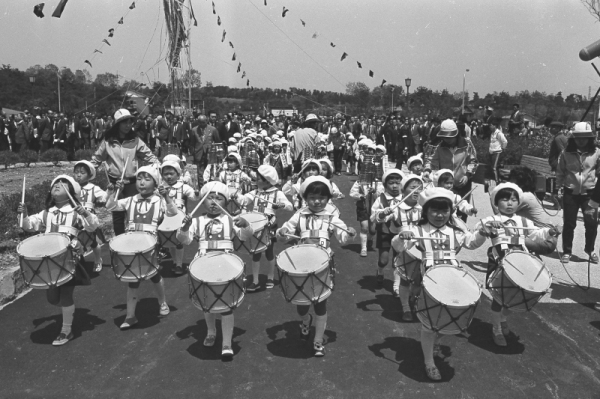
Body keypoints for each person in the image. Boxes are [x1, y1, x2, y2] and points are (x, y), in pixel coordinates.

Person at [392, 187, 488, 381]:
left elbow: (471, 242)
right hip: (430, 279)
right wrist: (402, 237)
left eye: (444, 210)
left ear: (450, 212)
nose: (439, 215)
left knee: (448, 317)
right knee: (429, 324)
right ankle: (429, 362)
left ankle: (433, 342)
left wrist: (483, 233)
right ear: (425, 211)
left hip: (452, 277)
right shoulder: (417, 229)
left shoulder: (454, 231)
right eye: (434, 210)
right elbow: (397, 245)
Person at [277, 176, 356, 357]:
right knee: (302, 305)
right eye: (312, 197)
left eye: (321, 198)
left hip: (322, 264)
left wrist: (350, 233)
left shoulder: (332, 217)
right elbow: (286, 232)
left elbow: (343, 237)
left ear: (328, 199)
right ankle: (305, 320)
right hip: (301, 263)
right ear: (305, 198)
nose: (317, 201)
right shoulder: (300, 214)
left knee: (320, 303)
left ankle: (318, 340)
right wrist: (282, 232)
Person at [17, 175, 100, 346]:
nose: (56, 185)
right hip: (50, 259)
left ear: (71, 191)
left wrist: (85, 213)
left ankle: (66, 330)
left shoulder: (78, 211)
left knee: (66, 294)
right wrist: (24, 215)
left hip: (70, 258)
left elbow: (93, 226)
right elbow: (28, 225)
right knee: (53, 299)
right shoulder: (46, 213)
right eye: (54, 184)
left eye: (62, 184)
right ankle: (67, 311)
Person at [475, 183, 559, 347]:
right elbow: (480, 227)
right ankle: (496, 327)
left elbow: (536, 232)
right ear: (496, 203)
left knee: (517, 294)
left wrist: (549, 232)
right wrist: (490, 226)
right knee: (499, 296)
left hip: (520, 257)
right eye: (505, 200)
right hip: (500, 258)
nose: (509, 203)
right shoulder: (492, 219)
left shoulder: (523, 220)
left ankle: (503, 318)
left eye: (514, 200)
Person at [177, 181, 253, 359]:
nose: (214, 202)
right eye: (209, 198)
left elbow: (245, 236)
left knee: (226, 305)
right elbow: (184, 240)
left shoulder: (230, 219)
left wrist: (245, 224)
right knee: (207, 301)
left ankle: (227, 343)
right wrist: (185, 227)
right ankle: (211, 331)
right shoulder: (197, 221)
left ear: (226, 202)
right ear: (202, 201)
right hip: (203, 261)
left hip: (226, 262)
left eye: (219, 198)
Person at [106, 166, 178, 330]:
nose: (142, 182)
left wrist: (166, 197)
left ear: (155, 183)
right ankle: (130, 316)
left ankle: (162, 302)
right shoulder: (130, 200)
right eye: (139, 179)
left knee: (154, 275)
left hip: (150, 242)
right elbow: (111, 207)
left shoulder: (159, 201)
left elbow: (173, 213)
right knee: (132, 279)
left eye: (147, 179)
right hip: (132, 242)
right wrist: (112, 192)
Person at [91, 109, 159, 236]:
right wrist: (86, 172)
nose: (128, 126)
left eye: (130, 123)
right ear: (117, 124)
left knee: (134, 212)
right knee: (117, 215)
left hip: (133, 183)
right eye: (124, 123)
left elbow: (149, 157)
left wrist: (160, 168)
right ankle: (119, 243)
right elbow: (97, 159)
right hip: (115, 183)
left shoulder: (135, 140)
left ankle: (136, 240)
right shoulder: (107, 141)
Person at [556, 122, 600, 264]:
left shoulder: (596, 153)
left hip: (589, 193)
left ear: (590, 138)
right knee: (569, 223)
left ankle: (590, 250)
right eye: (578, 137)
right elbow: (560, 172)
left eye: (585, 137)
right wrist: (558, 188)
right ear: (573, 138)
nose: (581, 140)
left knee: (591, 223)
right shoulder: (565, 153)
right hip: (571, 193)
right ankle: (567, 251)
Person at [243, 165, 292, 291]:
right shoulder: (255, 192)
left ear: (267, 180)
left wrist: (282, 205)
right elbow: (244, 200)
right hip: (255, 226)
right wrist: (234, 196)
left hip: (269, 225)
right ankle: (255, 281)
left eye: (259, 178)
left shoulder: (277, 193)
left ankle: (270, 277)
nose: (256, 180)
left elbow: (290, 206)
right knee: (255, 253)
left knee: (269, 253)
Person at [424, 119, 478, 222]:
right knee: (446, 210)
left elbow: (473, 161)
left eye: (450, 137)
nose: (447, 139)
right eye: (445, 137)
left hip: (463, 183)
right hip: (445, 184)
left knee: (463, 209)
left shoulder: (466, 144)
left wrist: (467, 175)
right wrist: (427, 170)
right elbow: (430, 160)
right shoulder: (438, 146)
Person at [160, 158, 200, 275]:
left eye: (171, 174)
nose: (168, 177)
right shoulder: (160, 187)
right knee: (169, 241)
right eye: (165, 174)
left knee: (178, 241)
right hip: (165, 218)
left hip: (180, 218)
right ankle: (173, 260)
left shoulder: (183, 187)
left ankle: (178, 264)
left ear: (178, 174)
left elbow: (193, 197)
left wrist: (196, 192)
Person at [390, 175, 423, 316]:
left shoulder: (424, 208)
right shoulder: (397, 207)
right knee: (405, 278)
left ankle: (414, 300)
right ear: (403, 190)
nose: (416, 191)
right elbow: (378, 218)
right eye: (412, 188)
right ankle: (405, 307)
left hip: (421, 248)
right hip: (402, 245)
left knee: (418, 281)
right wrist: (383, 213)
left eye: (419, 188)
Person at [370, 169, 407, 287]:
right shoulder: (380, 199)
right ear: (385, 185)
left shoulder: (407, 199)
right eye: (391, 183)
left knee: (398, 260)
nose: (395, 186)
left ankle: (396, 285)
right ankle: (380, 271)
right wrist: (382, 213)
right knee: (383, 260)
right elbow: (373, 216)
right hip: (385, 231)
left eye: (398, 183)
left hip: (400, 232)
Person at [72, 160, 107, 272]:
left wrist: (109, 193)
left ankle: (97, 260)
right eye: (76, 172)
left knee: (92, 242)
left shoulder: (93, 188)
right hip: (74, 218)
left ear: (89, 175)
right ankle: (78, 263)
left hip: (88, 217)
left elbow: (104, 197)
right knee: (74, 240)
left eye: (82, 173)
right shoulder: (71, 187)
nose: (78, 175)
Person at [349, 174, 384, 257]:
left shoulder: (379, 182)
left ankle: (370, 238)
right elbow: (352, 192)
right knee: (364, 227)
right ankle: (363, 248)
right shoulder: (360, 182)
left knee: (372, 230)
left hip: (375, 208)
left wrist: (375, 192)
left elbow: (382, 195)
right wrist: (360, 196)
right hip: (363, 207)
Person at [488, 117, 507, 183]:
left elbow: (505, 141)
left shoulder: (499, 133)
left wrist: (503, 148)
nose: (490, 127)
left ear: (495, 126)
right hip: (491, 152)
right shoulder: (492, 133)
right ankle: (493, 180)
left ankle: (497, 181)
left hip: (497, 153)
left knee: (494, 168)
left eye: (491, 125)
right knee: (491, 167)